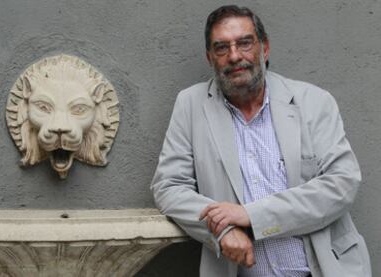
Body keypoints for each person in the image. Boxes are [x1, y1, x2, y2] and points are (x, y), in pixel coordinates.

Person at [150, 5, 371, 277]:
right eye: (222, 48)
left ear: (264, 48)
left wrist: (252, 216)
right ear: (210, 58)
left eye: (244, 43)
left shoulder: (314, 102)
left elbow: (342, 183)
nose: (234, 56)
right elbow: (169, 186)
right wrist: (222, 231)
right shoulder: (191, 105)